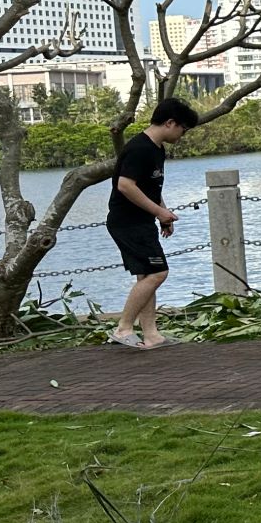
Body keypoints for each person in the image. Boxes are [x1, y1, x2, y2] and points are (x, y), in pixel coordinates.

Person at [106, 96, 199, 349]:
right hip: (127, 222)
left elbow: (152, 186)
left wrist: (163, 213)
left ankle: (151, 335)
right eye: (183, 129)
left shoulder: (157, 149)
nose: (183, 134)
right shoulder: (139, 148)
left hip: (141, 221)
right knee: (158, 272)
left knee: (146, 275)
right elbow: (125, 185)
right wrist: (159, 212)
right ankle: (124, 328)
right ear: (170, 123)